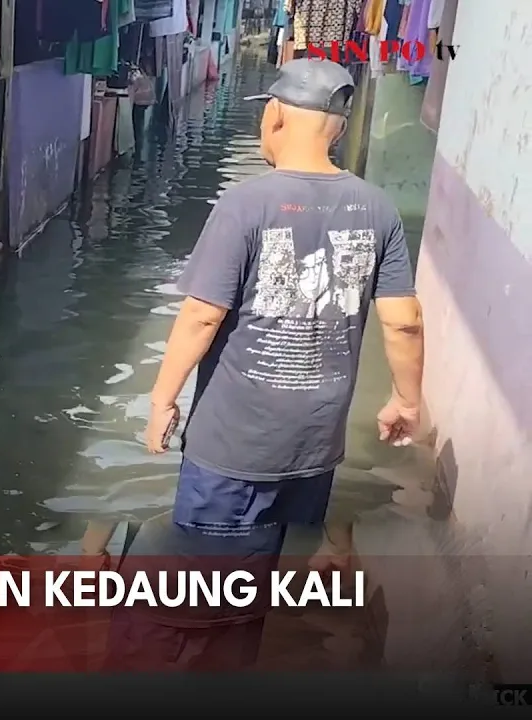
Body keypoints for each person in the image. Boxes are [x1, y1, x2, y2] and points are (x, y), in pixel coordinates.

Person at [105, 58, 424, 670]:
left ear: (275, 115)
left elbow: (200, 316)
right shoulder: (377, 208)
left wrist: (161, 399)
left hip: (234, 446)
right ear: (337, 125)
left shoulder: (246, 204)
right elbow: (404, 320)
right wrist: (406, 400)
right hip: (315, 445)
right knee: (255, 575)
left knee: (194, 594)